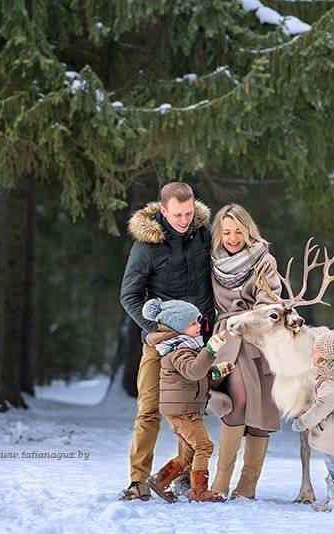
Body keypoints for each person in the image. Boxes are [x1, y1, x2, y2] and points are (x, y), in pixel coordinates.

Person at [119, 182, 214, 501]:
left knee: (190, 410)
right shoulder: (146, 246)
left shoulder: (203, 234)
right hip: (159, 344)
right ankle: (138, 481)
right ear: (162, 210)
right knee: (148, 408)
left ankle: (186, 475)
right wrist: (158, 329)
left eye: (189, 213)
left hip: (197, 340)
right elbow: (129, 295)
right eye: (177, 214)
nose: (184, 219)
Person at [207, 203, 283, 499]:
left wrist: (258, 313)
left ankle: (248, 484)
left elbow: (271, 299)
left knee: (261, 409)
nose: (233, 237)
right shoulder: (212, 262)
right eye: (226, 231)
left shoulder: (264, 260)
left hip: (257, 338)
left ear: (248, 230)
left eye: (238, 230)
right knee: (237, 401)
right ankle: (221, 481)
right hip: (227, 339)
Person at [142, 298, 231, 503]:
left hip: (183, 409)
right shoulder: (178, 351)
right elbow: (193, 371)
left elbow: (196, 373)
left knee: (190, 451)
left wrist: (216, 371)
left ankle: (160, 480)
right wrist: (210, 350)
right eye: (192, 323)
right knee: (204, 447)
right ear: (178, 327)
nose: (199, 326)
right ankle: (199, 491)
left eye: (198, 321)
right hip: (183, 412)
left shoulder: (183, 348)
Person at [290, 330, 334, 512]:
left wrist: (303, 422)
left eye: (316, 351)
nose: (313, 353)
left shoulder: (330, 382)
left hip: (333, 431)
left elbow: (322, 408)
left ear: (327, 357)